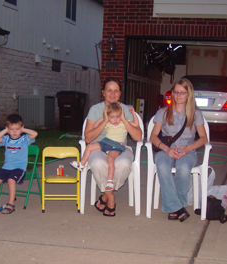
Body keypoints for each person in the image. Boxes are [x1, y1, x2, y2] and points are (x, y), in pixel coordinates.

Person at [150, 78, 208, 222]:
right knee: (162, 165)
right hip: (166, 149)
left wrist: (188, 148)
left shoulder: (195, 114)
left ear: (189, 94)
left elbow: (203, 138)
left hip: (187, 150)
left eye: (182, 92)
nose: (178, 96)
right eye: (176, 92)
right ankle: (177, 207)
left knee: (183, 167)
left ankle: (176, 206)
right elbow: (153, 136)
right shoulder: (163, 112)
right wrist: (165, 148)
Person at [84, 77, 143, 217]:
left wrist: (123, 118)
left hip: (120, 147)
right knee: (98, 163)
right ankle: (111, 198)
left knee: (123, 163)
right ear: (103, 92)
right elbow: (88, 138)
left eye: (116, 91)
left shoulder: (126, 109)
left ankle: (105, 196)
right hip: (100, 146)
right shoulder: (95, 109)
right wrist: (105, 121)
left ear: (120, 93)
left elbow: (138, 137)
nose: (112, 94)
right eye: (109, 90)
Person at [70, 102, 139, 192]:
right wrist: (104, 118)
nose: (115, 120)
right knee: (90, 146)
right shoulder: (108, 123)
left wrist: (132, 114)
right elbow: (95, 126)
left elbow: (136, 124)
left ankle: (110, 181)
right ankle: (82, 164)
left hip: (117, 145)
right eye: (112, 117)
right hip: (106, 142)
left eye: (117, 117)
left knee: (110, 159)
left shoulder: (123, 123)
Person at [0, 114, 38, 214]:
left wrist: (23, 130)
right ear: (8, 129)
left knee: (10, 180)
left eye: (17, 129)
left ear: (21, 128)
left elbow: (35, 134)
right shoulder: (6, 139)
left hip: (19, 168)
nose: (14, 132)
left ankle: (11, 204)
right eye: (11, 129)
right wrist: (5, 130)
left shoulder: (24, 139)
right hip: (6, 167)